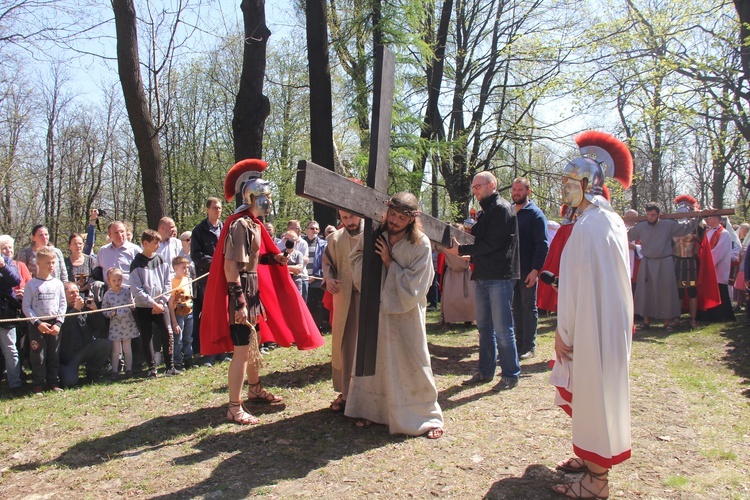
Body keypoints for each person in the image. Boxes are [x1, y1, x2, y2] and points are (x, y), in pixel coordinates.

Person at [200, 158, 324, 425]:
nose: (269, 201)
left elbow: (253, 260)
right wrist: (240, 301)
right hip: (241, 293)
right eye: (265, 196)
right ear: (253, 197)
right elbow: (231, 267)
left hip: (252, 291)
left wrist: (273, 260)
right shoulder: (240, 225)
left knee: (253, 343)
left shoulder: (253, 225)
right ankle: (234, 406)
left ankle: (254, 389)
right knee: (242, 349)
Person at [548, 130, 634, 499]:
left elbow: (575, 288)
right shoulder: (609, 220)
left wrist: (563, 332)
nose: (564, 189)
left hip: (591, 327)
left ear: (585, 184)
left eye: (569, 182)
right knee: (594, 392)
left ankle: (597, 481)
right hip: (605, 324)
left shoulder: (588, 226)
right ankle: (588, 462)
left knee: (594, 393)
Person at [345, 192, 444, 439]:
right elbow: (355, 259)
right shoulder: (374, 233)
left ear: (412, 219)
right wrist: (370, 264)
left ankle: (426, 417)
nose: (395, 221)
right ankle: (372, 411)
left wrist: (388, 261)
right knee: (375, 359)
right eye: (393, 214)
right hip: (376, 309)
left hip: (406, 315)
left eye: (402, 217)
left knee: (413, 362)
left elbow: (418, 285)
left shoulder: (420, 244)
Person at [444, 171, 521, 391]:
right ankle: (486, 371)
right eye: (473, 187)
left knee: (503, 329)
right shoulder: (486, 211)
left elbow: (492, 244)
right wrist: (467, 247)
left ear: (492, 185)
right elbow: (481, 240)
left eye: (478, 186)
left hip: (500, 276)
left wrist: (462, 250)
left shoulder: (502, 209)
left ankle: (510, 374)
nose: (475, 190)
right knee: (485, 327)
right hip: (484, 274)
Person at [628, 202, 697, 331]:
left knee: (666, 291)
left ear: (659, 214)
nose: (650, 217)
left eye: (653, 215)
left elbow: (685, 228)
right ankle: (646, 321)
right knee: (645, 292)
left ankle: (666, 323)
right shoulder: (641, 227)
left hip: (664, 261)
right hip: (647, 262)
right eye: (648, 214)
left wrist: (699, 216)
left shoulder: (668, 225)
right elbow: (626, 234)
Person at [322, 209, 363, 412]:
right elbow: (328, 263)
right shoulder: (335, 238)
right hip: (344, 299)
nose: (349, 222)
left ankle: (368, 396)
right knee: (346, 346)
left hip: (369, 301)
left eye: (352, 217)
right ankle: (346, 393)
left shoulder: (375, 235)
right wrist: (329, 279)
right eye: (344, 218)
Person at [130, 229, 179, 377]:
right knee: (147, 336)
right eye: (155, 242)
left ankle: (170, 366)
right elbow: (137, 289)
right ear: (145, 243)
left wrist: (161, 302)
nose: (158, 245)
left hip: (161, 304)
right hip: (144, 307)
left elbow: (167, 283)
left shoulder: (161, 260)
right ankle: (152, 369)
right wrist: (152, 304)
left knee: (167, 332)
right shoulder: (136, 263)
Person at [510, 177, 549, 360]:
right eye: (514, 190)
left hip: (528, 269)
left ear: (528, 192)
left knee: (528, 307)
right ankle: (517, 344)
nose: (516, 193)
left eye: (520, 190)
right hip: (510, 269)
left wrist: (535, 270)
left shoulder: (535, 214)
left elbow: (542, 245)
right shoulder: (508, 211)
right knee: (515, 307)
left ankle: (529, 346)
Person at [21, 246, 66, 393]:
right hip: (37, 325)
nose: (51, 266)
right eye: (48, 262)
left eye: (53, 262)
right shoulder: (31, 284)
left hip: (54, 324)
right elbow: (26, 307)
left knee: (54, 354)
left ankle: (53, 382)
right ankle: (38, 383)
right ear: (38, 264)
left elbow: (62, 304)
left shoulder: (58, 283)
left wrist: (59, 323)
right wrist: (38, 323)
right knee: (38, 355)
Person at [671, 195, 720, 328]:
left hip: (690, 263)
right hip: (676, 261)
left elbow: (700, 237)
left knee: (691, 289)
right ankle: (676, 317)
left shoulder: (696, 223)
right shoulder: (672, 224)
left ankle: (693, 318)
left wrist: (702, 215)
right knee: (677, 290)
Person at [58, 281, 111, 387]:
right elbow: (64, 328)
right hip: (68, 356)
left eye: (77, 292)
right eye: (72, 293)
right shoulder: (60, 309)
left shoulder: (84, 307)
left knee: (106, 344)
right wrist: (75, 310)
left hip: (85, 349)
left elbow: (100, 326)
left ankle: (93, 374)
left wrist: (95, 310)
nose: (76, 295)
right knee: (69, 382)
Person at [190, 197, 223, 362]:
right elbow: (196, 255)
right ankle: (207, 353)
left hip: (224, 277)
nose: (218, 210)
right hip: (207, 279)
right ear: (207, 210)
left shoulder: (225, 228)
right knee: (208, 316)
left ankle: (223, 351)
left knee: (223, 314)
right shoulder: (199, 230)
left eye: (219, 208)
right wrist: (216, 263)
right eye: (215, 208)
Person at [102, 268, 139, 378]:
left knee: (127, 349)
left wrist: (133, 307)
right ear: (109, 281)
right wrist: (111, 313)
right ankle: (115, 370)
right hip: (116, 325)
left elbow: (132, 304)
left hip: (127, 324)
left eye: (119, 279)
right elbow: (103, 310)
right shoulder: (108, 295)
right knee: (116, 350)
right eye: (114, 280)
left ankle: (129, 369)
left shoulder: (127, 291)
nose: (117, 282)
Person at [700, 214, 736, 322]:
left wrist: (707, 263)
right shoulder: (708, 231)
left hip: (718, 268)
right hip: (708, 267)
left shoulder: (724, 233)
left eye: (709, 218)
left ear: (717, 219)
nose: (707, 220)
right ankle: (706, 315)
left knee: (720, 292)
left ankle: (721, 316)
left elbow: (718, 252)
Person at [437, 224, 476, 325]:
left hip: (465, 274)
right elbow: (436, 247)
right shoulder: (446, 244)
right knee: (449, 299)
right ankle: (448, 320)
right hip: (452, 274)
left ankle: (468, 319)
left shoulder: (468, 242)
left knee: (469, 298)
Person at [0, 240, 22, 392]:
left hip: (5, 310)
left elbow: (16, 280)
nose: (7, 250)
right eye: (4, 248)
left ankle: (15, 384)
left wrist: (3, 266)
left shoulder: (7, 261)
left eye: (9, 247)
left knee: (10, 349)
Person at [303, 220, 329, 330]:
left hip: (316, 281)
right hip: (302, 280)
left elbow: (326, 263)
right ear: (306, 230)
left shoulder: (324, 244)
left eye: (317, 229)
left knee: (316, 306)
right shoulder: (300, 243)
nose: (315, 231)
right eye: (312, 228)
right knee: (304, 306)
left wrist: (314, 276)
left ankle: (317, 329)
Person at [96, 221, 141, 286]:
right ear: (110, 235)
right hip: (108, 293)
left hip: (129, 292)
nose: (120, 235)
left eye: (122, 231)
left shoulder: (136, 250)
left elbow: (143, 274)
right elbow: (96, 272)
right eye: (116, 232)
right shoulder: (103, 251)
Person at [170, 255, 194, 369]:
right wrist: (174, 321)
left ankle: (188, 358)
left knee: (188, 337)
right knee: (178, 339)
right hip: (178, 314)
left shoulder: (188, 280)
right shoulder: (173, 282)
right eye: (183, 267)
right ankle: (177, 360)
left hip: (189, 312)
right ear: (176, 268)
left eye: (187, 267)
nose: (186, 270)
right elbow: (171, 302)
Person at [65, 233, 97, 297]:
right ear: (69, 246)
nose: (78, 246)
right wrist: (74, 285)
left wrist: (87, 286)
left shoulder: (91, 260)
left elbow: (96, 277)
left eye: (80, 243)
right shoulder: (65, 262)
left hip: (88, 295)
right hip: (71, 297)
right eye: (75, 244)